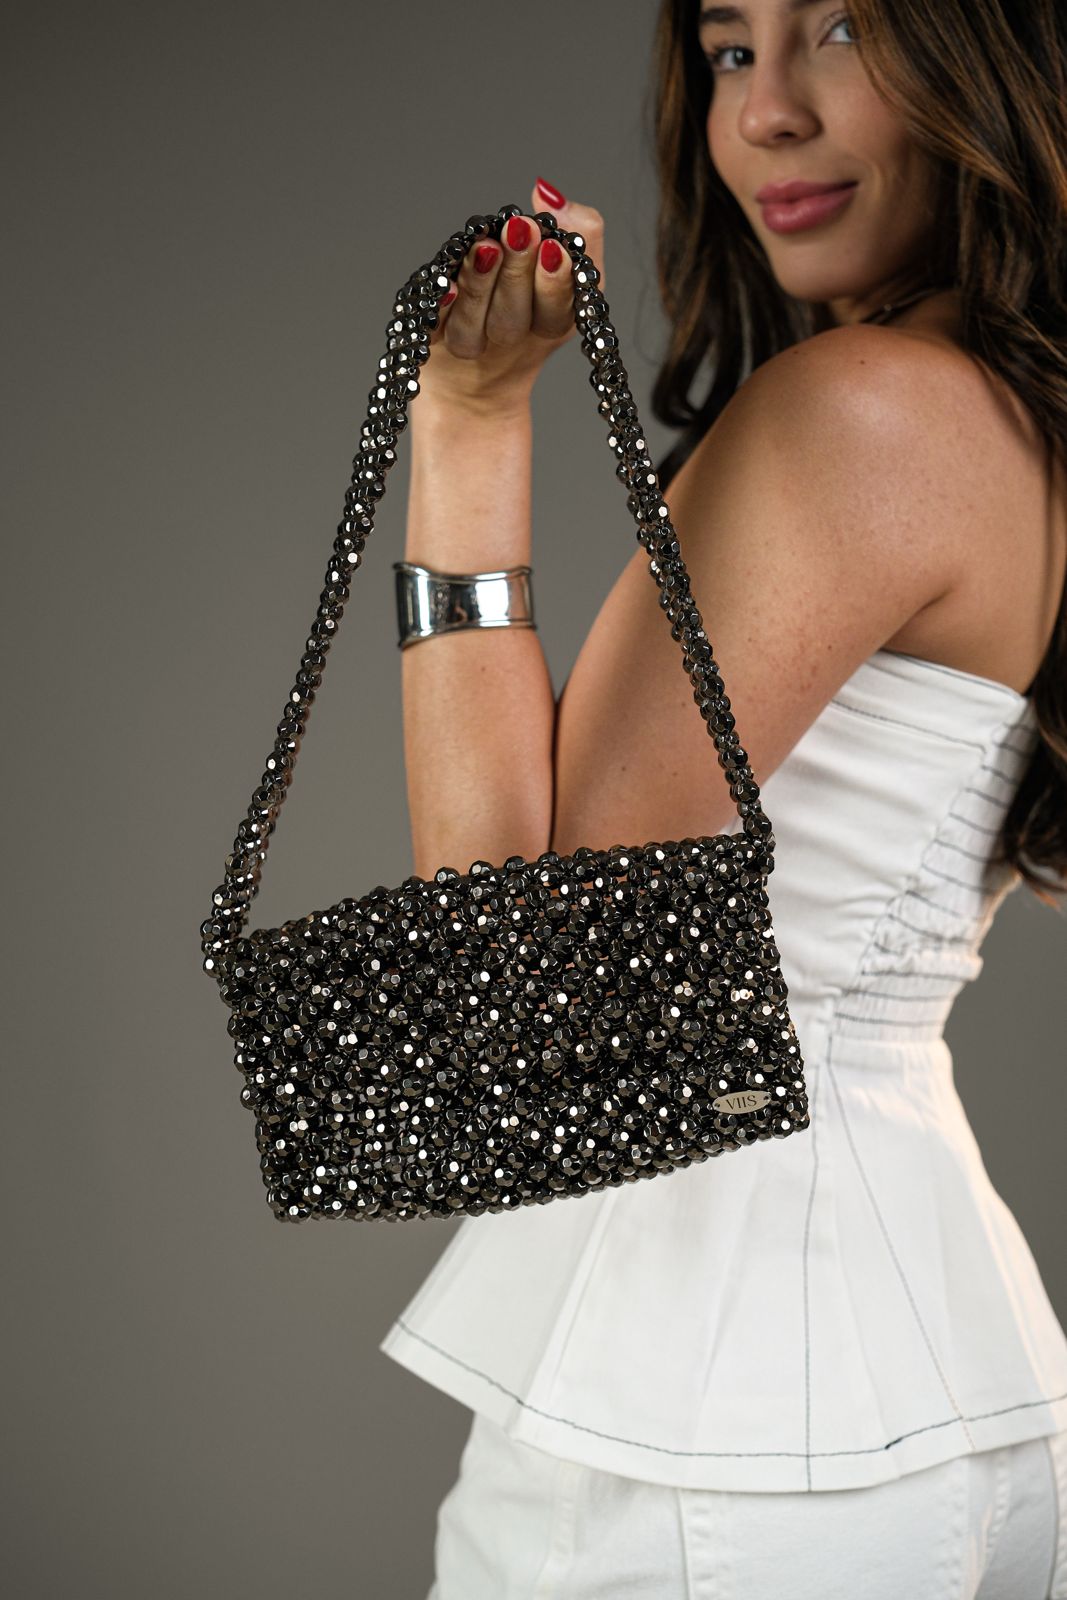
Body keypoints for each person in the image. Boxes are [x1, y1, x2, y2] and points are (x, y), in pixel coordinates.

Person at [380, 0, 1067, 1593]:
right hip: (940, 1384)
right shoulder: (1017, 423)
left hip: (715, 1432)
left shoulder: (861, 409)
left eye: (844, 27)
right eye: (731, 47)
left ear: (997, 59)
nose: (766, 111)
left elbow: (531, 996)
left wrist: (468, 424)